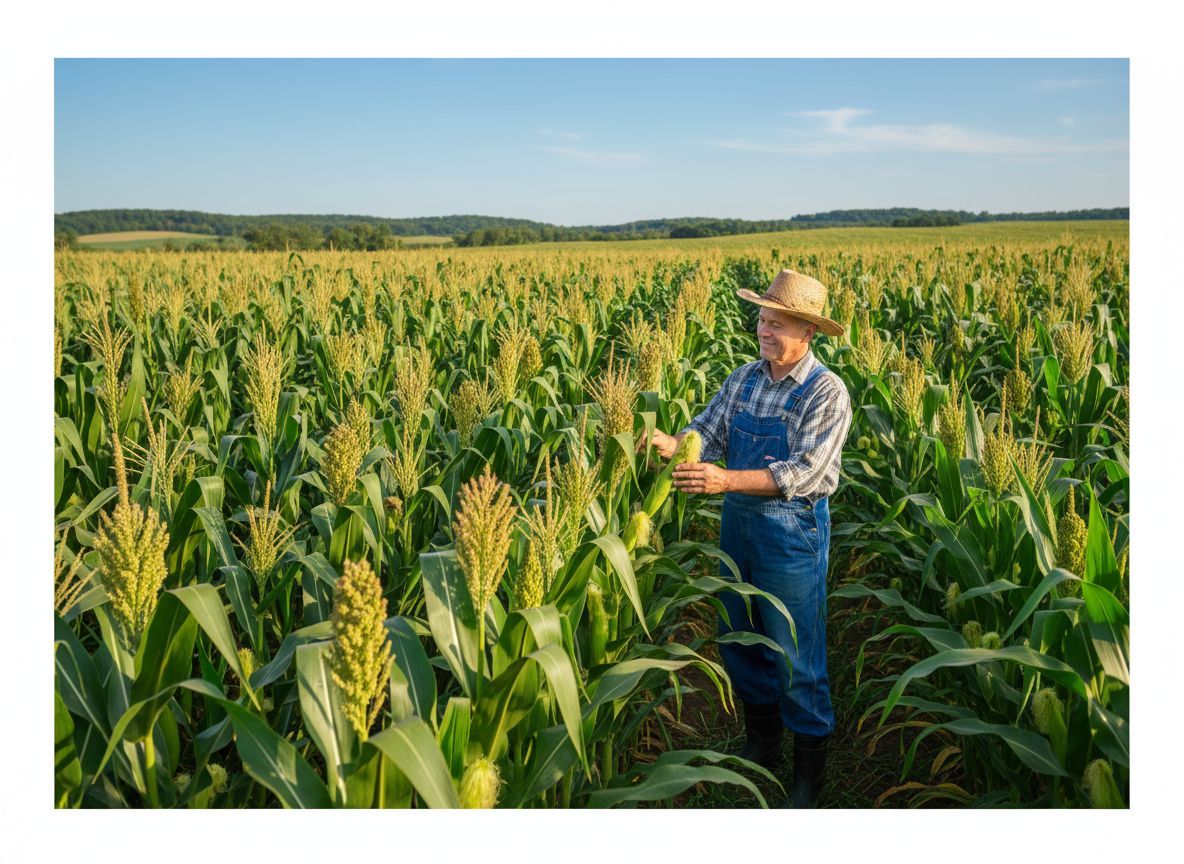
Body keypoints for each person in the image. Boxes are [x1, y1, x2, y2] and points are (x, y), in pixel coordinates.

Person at [643, 269, 852, 808]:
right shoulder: (743, 379)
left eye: (777, 323)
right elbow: (707, 433)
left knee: (795, 652)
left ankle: (808, 770)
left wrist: (726, 480)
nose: (764, 330)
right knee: (739, 636)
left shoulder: (825, 391)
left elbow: (807, 472)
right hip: (738, 527)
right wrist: (673, 443)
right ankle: (763, 741)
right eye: (762, 319)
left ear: (808, 332)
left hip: (791, 534)